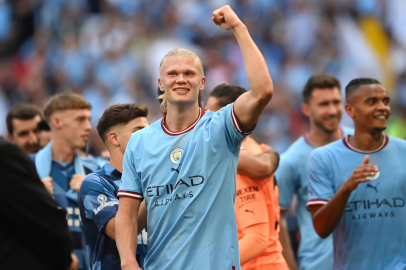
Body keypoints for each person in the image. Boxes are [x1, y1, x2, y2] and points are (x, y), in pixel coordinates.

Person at [115, 5, 273, 269]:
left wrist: (238, 27)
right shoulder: (141, 142)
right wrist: (128, 261)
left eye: (189, 73)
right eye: (173, 74)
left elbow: (262, 92)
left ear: (202, 83)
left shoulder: (221, 127)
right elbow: (128, 213)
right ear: (160, 83)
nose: (181, 79)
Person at [307, 78, 406, 269]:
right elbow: (321, 228)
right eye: (372, 102)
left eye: (386, 101)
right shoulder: (323, 158)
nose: (383, 107)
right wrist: (346, 189)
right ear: (350, 110)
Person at [205, 83, 287, 270]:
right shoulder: (253, 150)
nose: (205, 121)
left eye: (211, 114)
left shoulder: (237, 160)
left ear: (231, 116)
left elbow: (257, 238)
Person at [275, 74, 353, 270]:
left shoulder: (362, 144)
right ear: (306, 110)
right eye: (323, 104)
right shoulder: (291, 160)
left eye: (336, 102)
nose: (332, 110)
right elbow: (277, 219)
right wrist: (291, 266)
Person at [31, 93, 100, 270]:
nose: (88, 127)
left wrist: (93, 193)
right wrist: (34, 195)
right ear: (57, 122)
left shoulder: (96, 171)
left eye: (88, 120)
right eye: (80, 120)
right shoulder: (27, 169)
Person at [78, 104, 149, 270]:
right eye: (139, 131)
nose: (148, 137)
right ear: (114, 138)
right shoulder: (96, 183)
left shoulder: (153, 178)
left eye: (149, 132)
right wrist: (154, 190)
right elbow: (120, 232)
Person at [0, 137, 78, 270]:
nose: (33, 139)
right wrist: (64, 259)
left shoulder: (94, 168)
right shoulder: (5, 153)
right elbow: (48, 226)